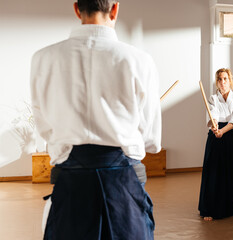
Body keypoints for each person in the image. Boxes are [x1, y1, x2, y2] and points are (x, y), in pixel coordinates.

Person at [30, 0, 161, 239]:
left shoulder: (43, 58)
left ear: (77, 8)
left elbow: (44, 126)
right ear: (115, 9)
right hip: (123, 182)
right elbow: (151, 138)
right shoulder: (139, 60)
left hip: (71, 179)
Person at [198, 68, 233, 221]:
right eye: (219, 79)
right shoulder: (213, 98)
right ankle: (209, 208)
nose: (222, 82)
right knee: (213, 173)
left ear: (230, 80)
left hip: (232, 137)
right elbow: (213, 115)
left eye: (225, 79)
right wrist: (215, 127)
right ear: (217, 82)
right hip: (216, 137)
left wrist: (222, 131)